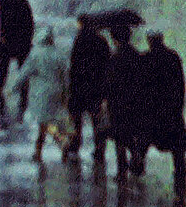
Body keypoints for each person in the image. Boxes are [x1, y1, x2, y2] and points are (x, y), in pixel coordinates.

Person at [134, 30, 186, 200]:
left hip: (151, 111)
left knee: (144, 142)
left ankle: (137, 168)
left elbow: (139, 87)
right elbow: (180, 85)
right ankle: (180, 181)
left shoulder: (144, 59)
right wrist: (178, 105)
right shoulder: (172, 57)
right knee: (177, 150)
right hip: (170, 111)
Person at [17, 24, 73, 161]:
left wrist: (14, 87)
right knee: (54, 120)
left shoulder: (35, 54)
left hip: (41, 94)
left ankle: (43, 149)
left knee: (43, 123)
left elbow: (24, 73)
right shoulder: (58, 54)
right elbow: (66, 76)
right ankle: (59, 142)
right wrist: (66, 94)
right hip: (57, 92)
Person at [66, 16, 113, 169]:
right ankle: (99, 149)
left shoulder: (79, 40)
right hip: (96, 86)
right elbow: (107, 64)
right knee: (96, 118)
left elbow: (74, 65)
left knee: (77, 118)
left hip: (80, 86)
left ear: (81, 24)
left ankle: (76, 143)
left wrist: (70, 86)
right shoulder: (102, 41)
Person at [103, 21, 145, 181]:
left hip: (118, 103)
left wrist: (106, 100)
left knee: (119, 137)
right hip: (134, 101)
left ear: (114, 38)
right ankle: (136, 156)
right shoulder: (136, 55)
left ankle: (122, 171)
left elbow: (109, 83)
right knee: (131, 133)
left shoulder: (115, 57)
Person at [0, 0, 35, 112]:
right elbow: (30, 20)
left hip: (9, 39)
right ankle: (24, 87)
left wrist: (2, 36)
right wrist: (29, 37)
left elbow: (2, 22)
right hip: (22, 39)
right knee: (22, 65)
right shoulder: (23, 0)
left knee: (4, 63)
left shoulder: (3, 1)